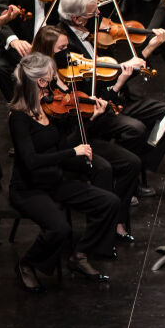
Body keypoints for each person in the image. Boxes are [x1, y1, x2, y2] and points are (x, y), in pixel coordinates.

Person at [8, 53, 119, 290]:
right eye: (51, 76)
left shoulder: (47, 110)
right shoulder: (18, 118)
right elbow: (31, 162)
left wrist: (90, 122)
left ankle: (80, 255)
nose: (55, 80)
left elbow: (62, 147)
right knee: (59, 228)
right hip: (29, 188)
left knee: (109, 202)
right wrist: (73, 153)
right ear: (40, 81)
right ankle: (27, 263)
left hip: (54, 181)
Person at [31, 25, 140, 243]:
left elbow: (84, 108)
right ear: (47, 51)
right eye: (61, 49)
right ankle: (99, 236)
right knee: (103, 168)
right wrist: (91, 119)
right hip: (63, 147)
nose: (67, 53)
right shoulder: (40, 83)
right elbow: (55, 133)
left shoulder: (69, 73)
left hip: (83, 137)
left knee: (132, 162)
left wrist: (97, 107)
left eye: (67, 47)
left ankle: (117, 221)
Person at [57, 0, 165, 175]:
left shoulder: (91, 33)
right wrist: (133, 64)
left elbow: (112, 72)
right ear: (77, 19)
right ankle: (125, 170)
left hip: (117, 97)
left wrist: (146, 51)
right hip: (97, 108)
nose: (100, 15)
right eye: (94, 13)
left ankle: (144, 164)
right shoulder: (65, 46)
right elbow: (101, 85)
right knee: (135, 129)